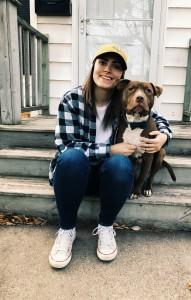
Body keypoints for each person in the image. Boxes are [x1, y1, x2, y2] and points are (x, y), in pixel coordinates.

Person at [48, 44, 172, 269]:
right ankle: (66, 230)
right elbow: (65, 145)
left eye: (115, 66)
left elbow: (156, 118)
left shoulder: (125, 98)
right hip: (75, 177)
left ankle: (105, 226)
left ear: (122, 76)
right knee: (73, 157)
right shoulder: (72, 99)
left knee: (120, 164)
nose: (108, 70)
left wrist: (164, 136)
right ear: (93, 66)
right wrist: (110, 149)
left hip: (111, 180)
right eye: (103, 63)